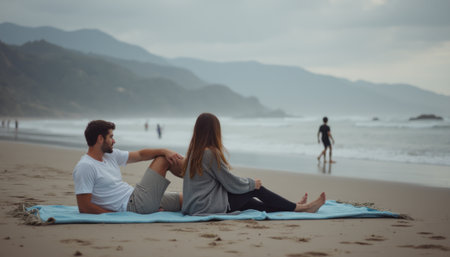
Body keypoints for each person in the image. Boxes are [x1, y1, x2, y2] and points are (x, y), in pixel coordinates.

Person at [181, 113, 326, 216]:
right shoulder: (210, 153)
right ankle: (305, 207)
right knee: (256, 189)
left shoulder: (194, 152)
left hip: (194, 207)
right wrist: (252, 184)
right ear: (215, 131)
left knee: (252, 204)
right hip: (208, 207)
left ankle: (296, 207)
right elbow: (230, 182)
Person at [73, 120, 184, 214]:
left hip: (137, 197)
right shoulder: (86, 166)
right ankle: (198, 175)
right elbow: (84, 207)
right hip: (133, 205)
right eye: (111, 137)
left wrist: (164, 150)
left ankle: (198, 183)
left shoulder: (110, 156)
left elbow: (140, 155)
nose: (114, 141)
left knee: (185, 199)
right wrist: (119, 215)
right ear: (100, 139)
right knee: (163, 159)